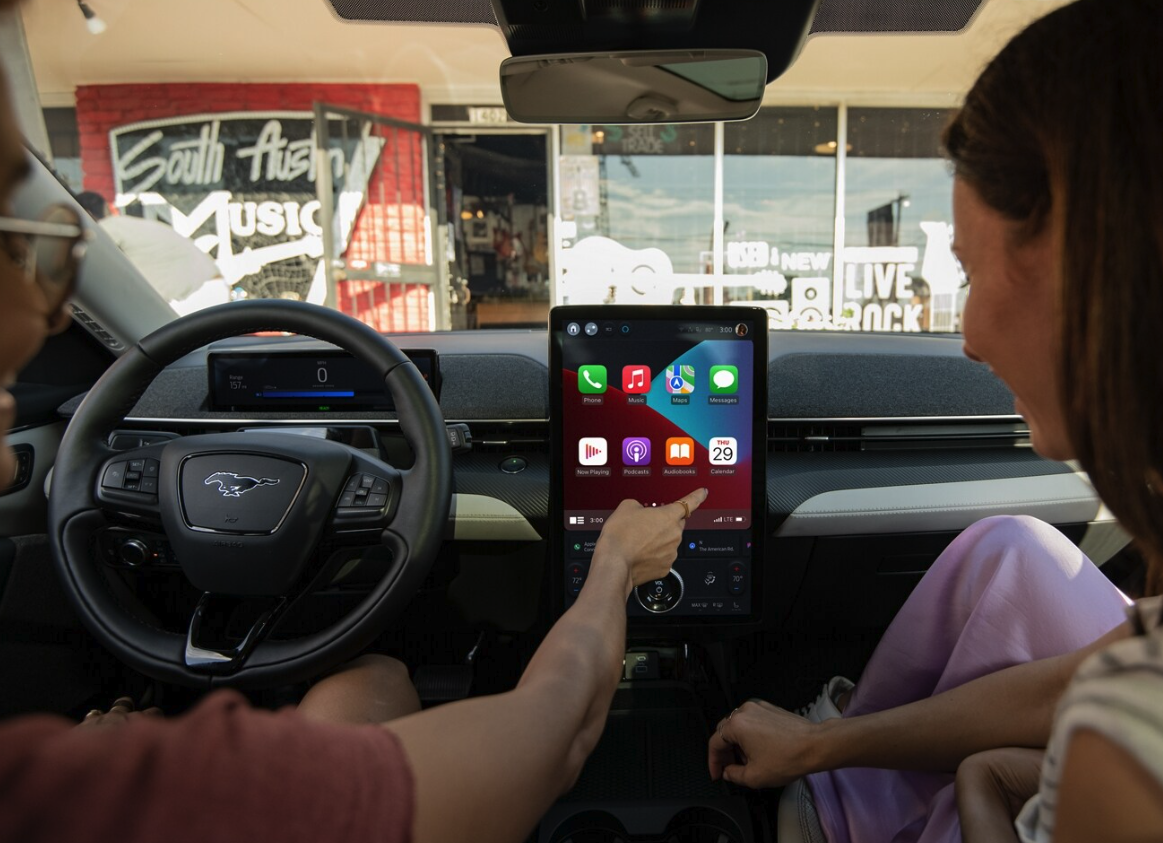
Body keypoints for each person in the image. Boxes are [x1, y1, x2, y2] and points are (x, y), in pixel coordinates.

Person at [0, 23, 710, 841]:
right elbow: (552, 739)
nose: (24, 363)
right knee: (370, 675)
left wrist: (107, 757)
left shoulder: (71, 785)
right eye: (39, 258)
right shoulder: (153, 797)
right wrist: (614, 563)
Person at [709, 1, 1163, 842]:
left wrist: (982, 795)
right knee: (1011, 545)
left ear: (1095, 272)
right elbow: (1085, 672)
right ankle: (843, 787)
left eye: (969, 270)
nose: (966, 337)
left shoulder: (1140, 748)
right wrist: (822, 744)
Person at [75, 189, 232, 315]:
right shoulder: (130, 225)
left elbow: (85, 264)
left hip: (191, 299)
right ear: (107, 208)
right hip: (212, 291)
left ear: (87, 214)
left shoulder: (107, 227)